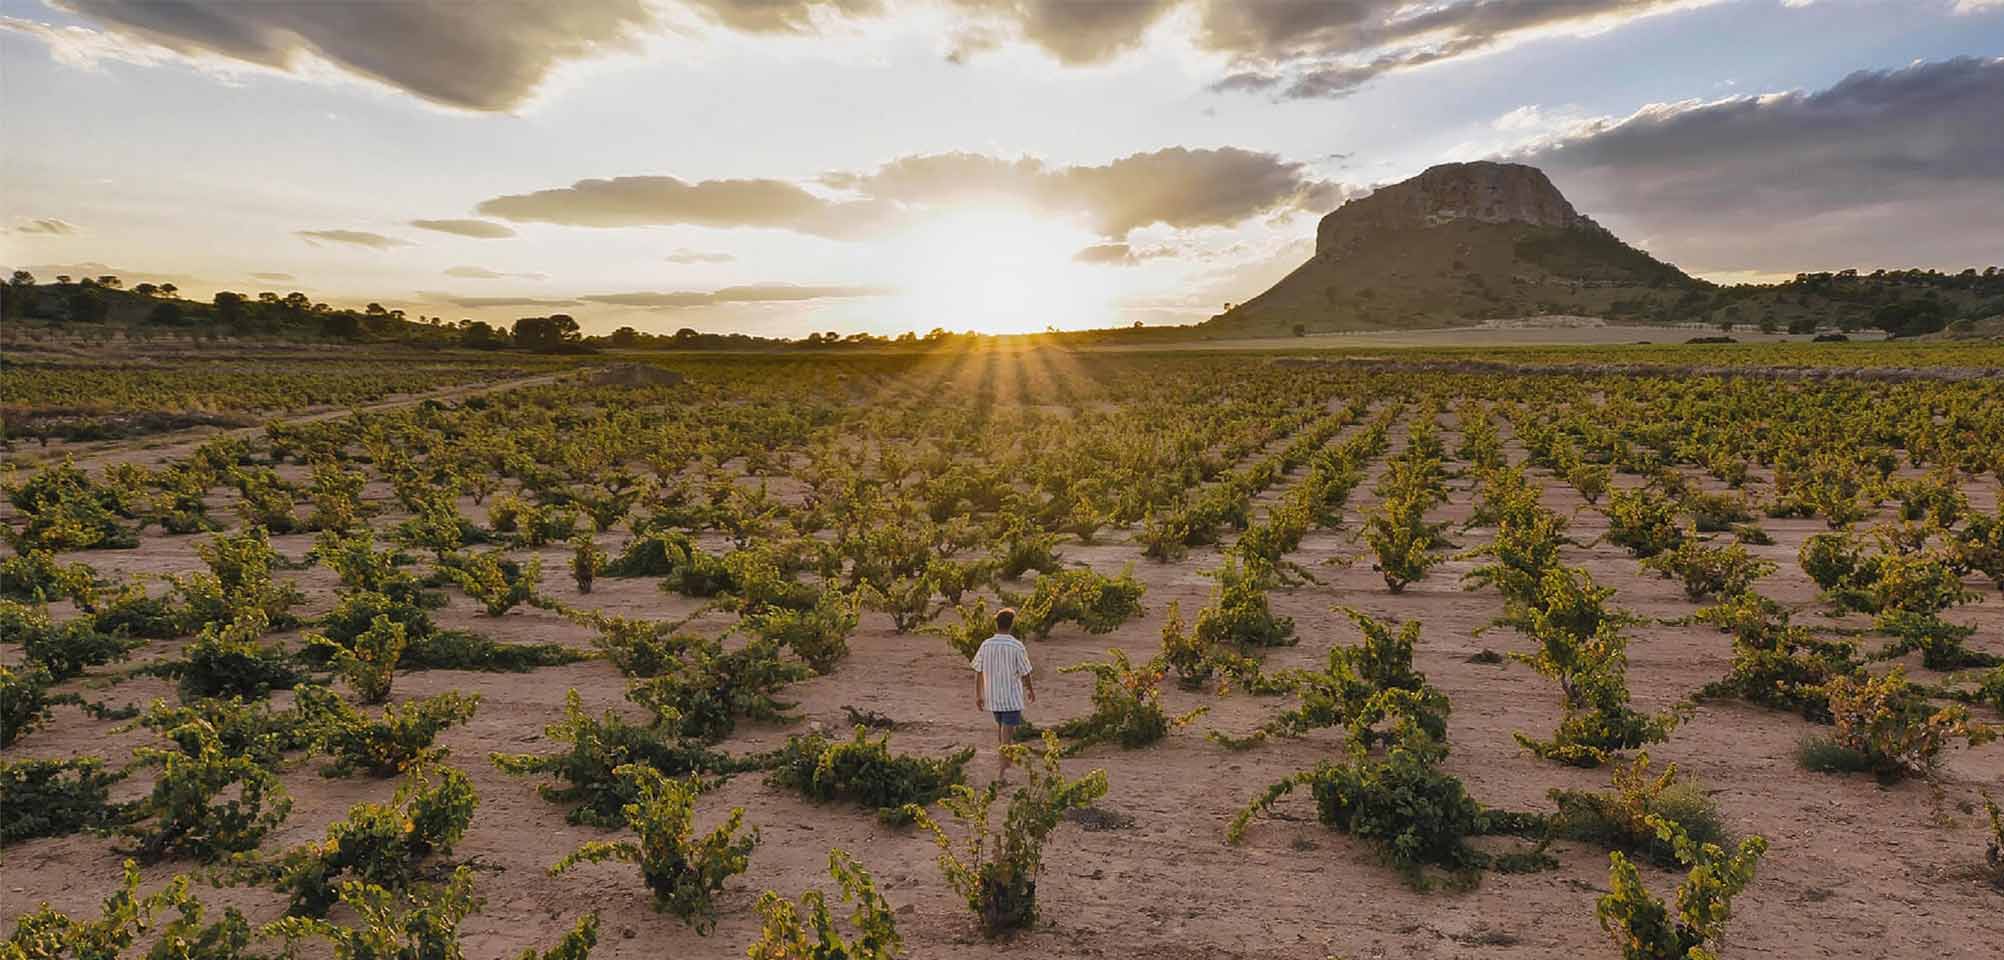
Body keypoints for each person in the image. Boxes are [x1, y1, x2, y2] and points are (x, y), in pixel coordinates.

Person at [970, 607, 1034, 772]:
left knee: (1002, 732)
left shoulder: (986, 645)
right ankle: (1003, 771)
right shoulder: (1016, 646)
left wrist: (978, 695)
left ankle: (1006, 763)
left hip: (993, 697)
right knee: (1006, 737)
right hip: (1011, 699)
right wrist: (1030, 690)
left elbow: (978, 671)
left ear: (996, 623)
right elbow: (1026, 672)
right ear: (1011, 624)